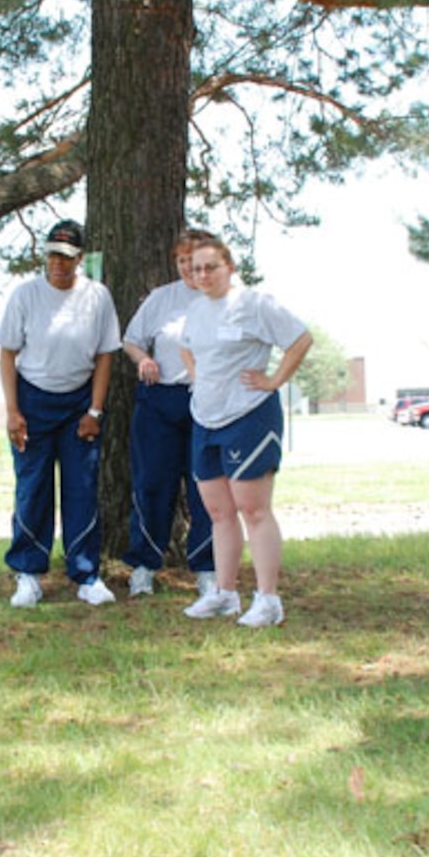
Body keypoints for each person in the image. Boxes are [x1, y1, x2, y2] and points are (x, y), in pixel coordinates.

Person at [178, 234, 313, 628]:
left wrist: (274, 380)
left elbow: (300, 339)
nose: (202, 274)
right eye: (195, 267)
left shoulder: (255, 304)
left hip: (249, 416)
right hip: (206, 418)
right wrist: (197, 377)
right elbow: (187, 347)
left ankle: (268, 599)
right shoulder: (196, 310)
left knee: (253, 509)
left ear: (229, 267)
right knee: (218, 512)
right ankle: (224, 593)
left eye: (210, 267)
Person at [0, 219, 122, 607]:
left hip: (79, 403)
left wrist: (95, 411)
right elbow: (7, 353)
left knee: (81, 488)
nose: (59, 264)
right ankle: (29, 574)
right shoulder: (25, 296)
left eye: (67, 257)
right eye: (53, 255)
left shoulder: (97, 296)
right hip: (33, 400)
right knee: (32, 488)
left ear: (80, 258)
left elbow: (104, 356)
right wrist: (13, 411)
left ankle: (85, 574)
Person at [119, 228, 217, 600]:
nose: (187, 268)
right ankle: (144, 565)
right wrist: (143, 359)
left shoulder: (223, 300)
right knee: (152, 484)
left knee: (205, 488)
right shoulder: (161, 299)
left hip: (206, 404)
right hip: (159, 403)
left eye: (193, 261)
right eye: (180, 261)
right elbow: (130, 340)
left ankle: (207, 568)